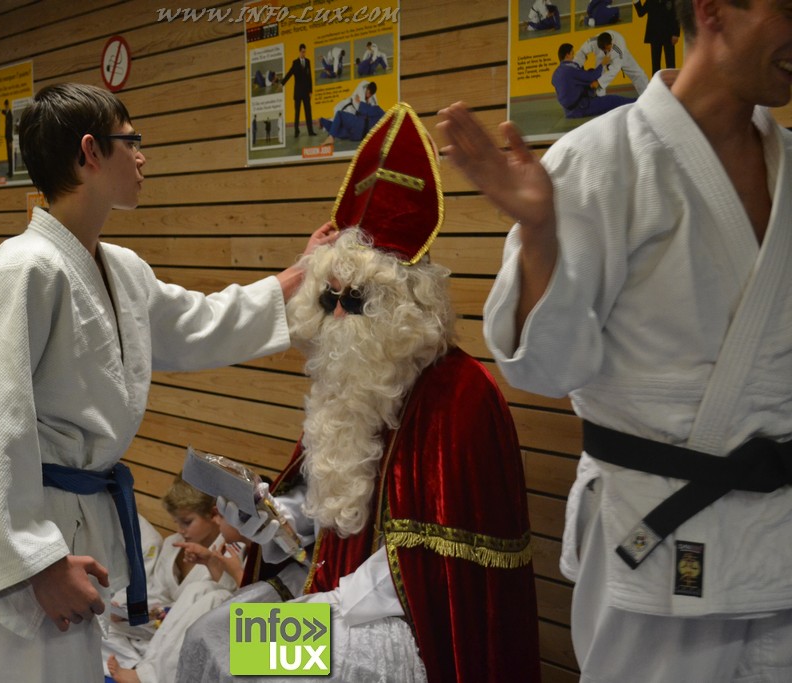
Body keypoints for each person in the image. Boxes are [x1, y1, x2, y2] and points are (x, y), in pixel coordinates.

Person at [0, 82, 336, 683]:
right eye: (131, 141)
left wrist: (297, 277)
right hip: (37, 527)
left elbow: (200, 323)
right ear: (90, 153)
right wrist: (37, 562)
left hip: (75, 519)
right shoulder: (25, 267)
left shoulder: (119, 268)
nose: (142, 157)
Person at [436, 0, 792, 679]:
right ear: (713, 10)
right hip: (660, 541)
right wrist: (540, 236)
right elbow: (545, 369)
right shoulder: (603, 160)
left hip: (782, 546)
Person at [179, 103, 541, 683]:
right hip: (331, 600)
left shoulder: (461, 396)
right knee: (209, 636)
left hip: (403, 629)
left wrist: (327, 602)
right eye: (331, 298)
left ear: (407, 302)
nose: (341, 316)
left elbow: (440, 577)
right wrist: (274, 519)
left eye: (358, 299)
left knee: (243, 656)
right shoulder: (350, 376)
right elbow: (326, 517)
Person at [108, 500, 246, 683]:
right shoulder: (174, 543)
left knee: (215, 596)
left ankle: (148, 676)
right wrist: (211, 562)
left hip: (261, 641)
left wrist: (236, 572)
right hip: (168, 628)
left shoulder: (255, 553)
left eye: (221, 516)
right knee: (100, 626)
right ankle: (145, 670)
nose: (217, 521)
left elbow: (253, 605)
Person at [551, 42, 635, 118]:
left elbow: (570, 84)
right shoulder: (570, 69)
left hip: (568, 112)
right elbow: (591, 76)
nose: (573, 57)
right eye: (572, 53)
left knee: (590, 76)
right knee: (613, 100)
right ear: (567, 55)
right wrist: (603, 64)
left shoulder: (556, 73)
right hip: (580, 108)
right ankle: (637, 102)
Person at [575, 30, 650, 96]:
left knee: (638, 74)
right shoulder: (593, 42)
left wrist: (599, 82)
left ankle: (647, 96)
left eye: (608, 48)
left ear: (611, 42)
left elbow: (615, 69)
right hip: (601, 57)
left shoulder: (619, 46)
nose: (606, 51)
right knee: (599, 76)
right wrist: (576, 66)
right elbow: (581, 52)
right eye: (604, 49)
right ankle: (600, 100)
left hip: (620, 56)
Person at [320, 80, 382, 145]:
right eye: (367, 93)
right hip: (350, 107)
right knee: (337, 118)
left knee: (344, 128)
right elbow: (365, 108)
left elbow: (367, 109)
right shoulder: (362, 86)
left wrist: (362, 103)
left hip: (358, 119)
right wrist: (365, 105)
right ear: (367, 88)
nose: (368, 96)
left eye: (370, 95)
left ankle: (324, 124)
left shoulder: (373, 98)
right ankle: (325, 126)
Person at [634, 0, 681, 72]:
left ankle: (672, 79)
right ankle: (656, 79)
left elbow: (677, 15)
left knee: (670, 63)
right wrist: (636, 1)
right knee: (655, 64)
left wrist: (676, 33)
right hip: (654, 35)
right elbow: (641, 13)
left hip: (669, 34)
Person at [281, 44, 315, 137]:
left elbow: (310, 77)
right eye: (302, 52)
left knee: (308, 112)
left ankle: (310, 131)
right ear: (299, 51)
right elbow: (289, 73)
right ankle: (296, 131)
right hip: (298, 93)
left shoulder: (308, 61)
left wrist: (311, 91)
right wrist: (282, 83)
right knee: (297, 113)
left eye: (305, 52)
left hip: (306, 92)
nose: (304, 53)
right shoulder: (295, 63)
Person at [1, 98, 14, 176]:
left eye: (5, 106)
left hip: (9, 139)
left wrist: (10, 141)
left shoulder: (10, 115)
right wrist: (1, 111)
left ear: (7, 105)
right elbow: (3, 112)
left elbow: (10, 128)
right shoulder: (7, 113)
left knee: (10, 155)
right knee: (8, 155)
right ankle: (10, 171)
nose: (5, 107)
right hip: (7, 137)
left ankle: (11, 172)